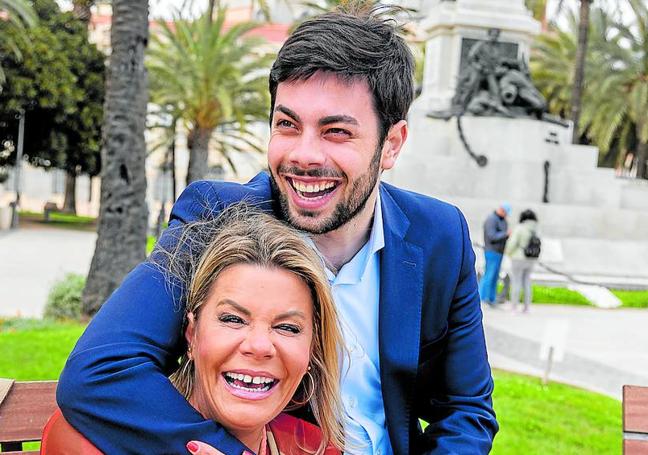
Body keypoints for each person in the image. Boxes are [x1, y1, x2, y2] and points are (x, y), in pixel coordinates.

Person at [58, 7, 498, 455]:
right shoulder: (215, 216)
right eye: (287, 125)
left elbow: (467, 409)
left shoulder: (440, 235)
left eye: (337, 132)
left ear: (391, 144)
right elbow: (101, 372)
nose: (304, 155)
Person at [44, 207, 345, 454]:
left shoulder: (313, 447)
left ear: (311, 349)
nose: (259, 345)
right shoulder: (90, 433)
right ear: (191, 334)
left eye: (287, 327)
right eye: (233, 319)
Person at [504, 209, 540, 313]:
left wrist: (508, 253)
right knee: (527, 282)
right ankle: (527, 307)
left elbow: (512, 243)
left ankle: (514, 307)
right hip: (531, 258)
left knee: (516, 282)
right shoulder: (536, 229)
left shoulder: (520, 228)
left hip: (518, 258)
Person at [479, 203, 511, 307]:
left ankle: (491, 299)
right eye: (505, 213)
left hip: (499, 252)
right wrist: (505, 234)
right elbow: (491, 236)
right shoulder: (491, 219)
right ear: (501, 210)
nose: (506, 215)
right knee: (489, 275)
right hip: (491, 251)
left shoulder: (503, 221)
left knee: (495, 276)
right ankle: (482, 298)